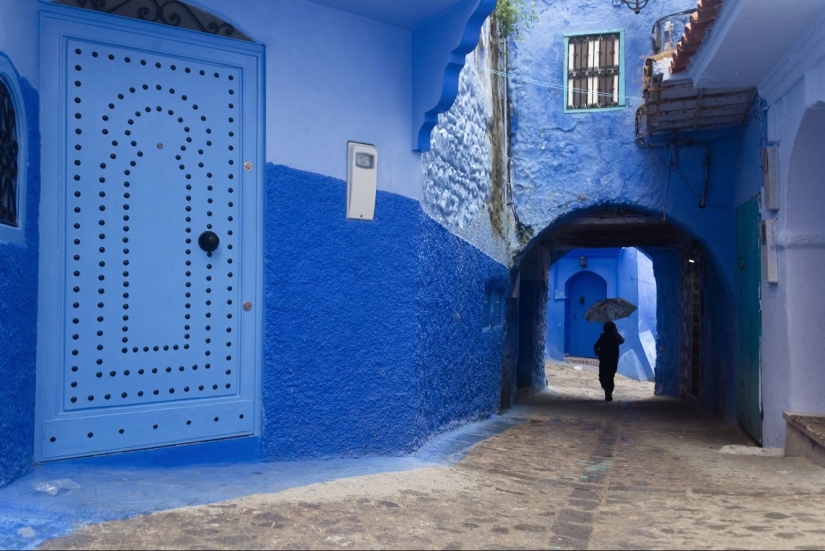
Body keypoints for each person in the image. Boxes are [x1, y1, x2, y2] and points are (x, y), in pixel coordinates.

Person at [593, 321, 625, 402]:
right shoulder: (611, 337)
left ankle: (608, 392)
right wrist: (617, 333)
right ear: (613, 329)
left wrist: (597, 352)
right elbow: (622, 340)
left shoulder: (606, 337)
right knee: (609, 377)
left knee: (603, 376)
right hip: (610, 360)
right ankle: (608, 390)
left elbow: (596, 346)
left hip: (607, 360)